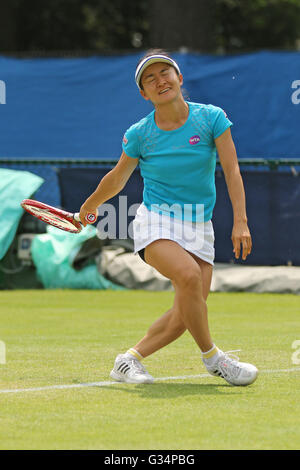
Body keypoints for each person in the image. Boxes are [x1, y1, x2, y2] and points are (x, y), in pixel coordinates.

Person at [79, 49, 258, 386]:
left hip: (199, 223)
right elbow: (117, 177)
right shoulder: (139, 133)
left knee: (187, 311)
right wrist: (89, 206)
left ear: (180, 79)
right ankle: (215, 359)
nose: (160, 80)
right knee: (189, 277)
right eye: (150, 78)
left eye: (165, 73)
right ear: (144, 94)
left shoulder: (212, 118)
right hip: (156, 220)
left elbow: (232, 169)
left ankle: (127, 361)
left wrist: (241, 220)